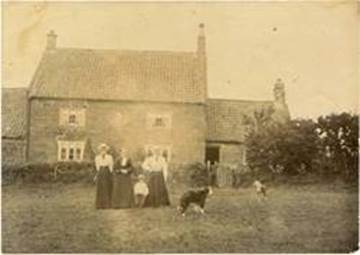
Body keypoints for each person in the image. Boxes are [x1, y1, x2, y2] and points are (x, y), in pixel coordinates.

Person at [95, 144, 113, 209]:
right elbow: (97, 166)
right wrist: (98, 173)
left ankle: (107, 204)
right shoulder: (97, 157)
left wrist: (110, 174)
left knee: (107, 187)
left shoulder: (109, 157)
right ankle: (99, 205)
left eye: (104, 149)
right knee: (100, 188)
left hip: (107, 171)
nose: (103, 151)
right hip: (101, 172)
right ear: (100, 150)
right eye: (102, 149)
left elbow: (111, 166)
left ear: (106, 150)